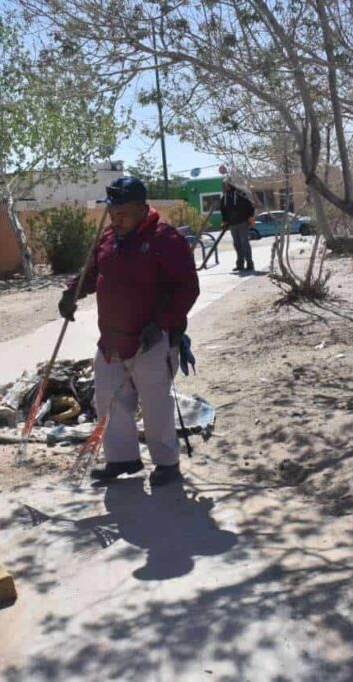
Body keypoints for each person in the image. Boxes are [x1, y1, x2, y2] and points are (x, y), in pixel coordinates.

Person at [58, 177, 200, 487]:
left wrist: (162, 322)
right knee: (109, 399)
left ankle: (166, 463)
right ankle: (124, 459)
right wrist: (72, 292)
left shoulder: (167, 239)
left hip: (152, 340)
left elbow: (187, 289)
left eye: (122, 214)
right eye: (112, 214)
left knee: (155, 404)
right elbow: (92, 272)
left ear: (141, 207)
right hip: (111, 340)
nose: (115, 220)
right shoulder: (108, 237)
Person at [220, 177, 256, 272]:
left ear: (231, 184)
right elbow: (223, 211)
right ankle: (240, 264)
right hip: (232, 224)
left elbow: (250, 205)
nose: (226, 186)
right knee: (237, 244)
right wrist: (224, 221)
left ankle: (250, 264)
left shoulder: (241, 194)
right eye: (224, 185)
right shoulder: (224, 198)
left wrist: (251, 217)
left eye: (227, 184)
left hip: (243, 222)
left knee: (245, 243)